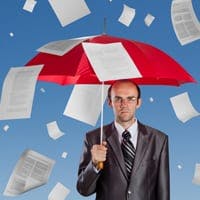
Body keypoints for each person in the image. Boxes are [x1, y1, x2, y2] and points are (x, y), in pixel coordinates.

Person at [76, 79, 170, 200]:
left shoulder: (159, 139)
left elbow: (163, 191)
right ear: (110, 102)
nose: (124, 104)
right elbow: (83, 190)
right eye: (118, 98)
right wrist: (94, 164)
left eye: (130, 99)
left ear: (138, 102)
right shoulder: (93, 138)